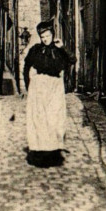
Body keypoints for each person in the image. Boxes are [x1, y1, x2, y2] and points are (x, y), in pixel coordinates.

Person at [23, 19, 76, 167]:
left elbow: (72, 60)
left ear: (52, 35)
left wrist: (63, 48)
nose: (45, 39)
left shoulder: (59, 50)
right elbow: (26, 67)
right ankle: (39, 153)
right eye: (43, 37)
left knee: (54, 119)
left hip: (55, 87)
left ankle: (53, 153)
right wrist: (29, 87)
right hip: (38, 88)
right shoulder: (35, 50)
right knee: (39, 120)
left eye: (48, 36)